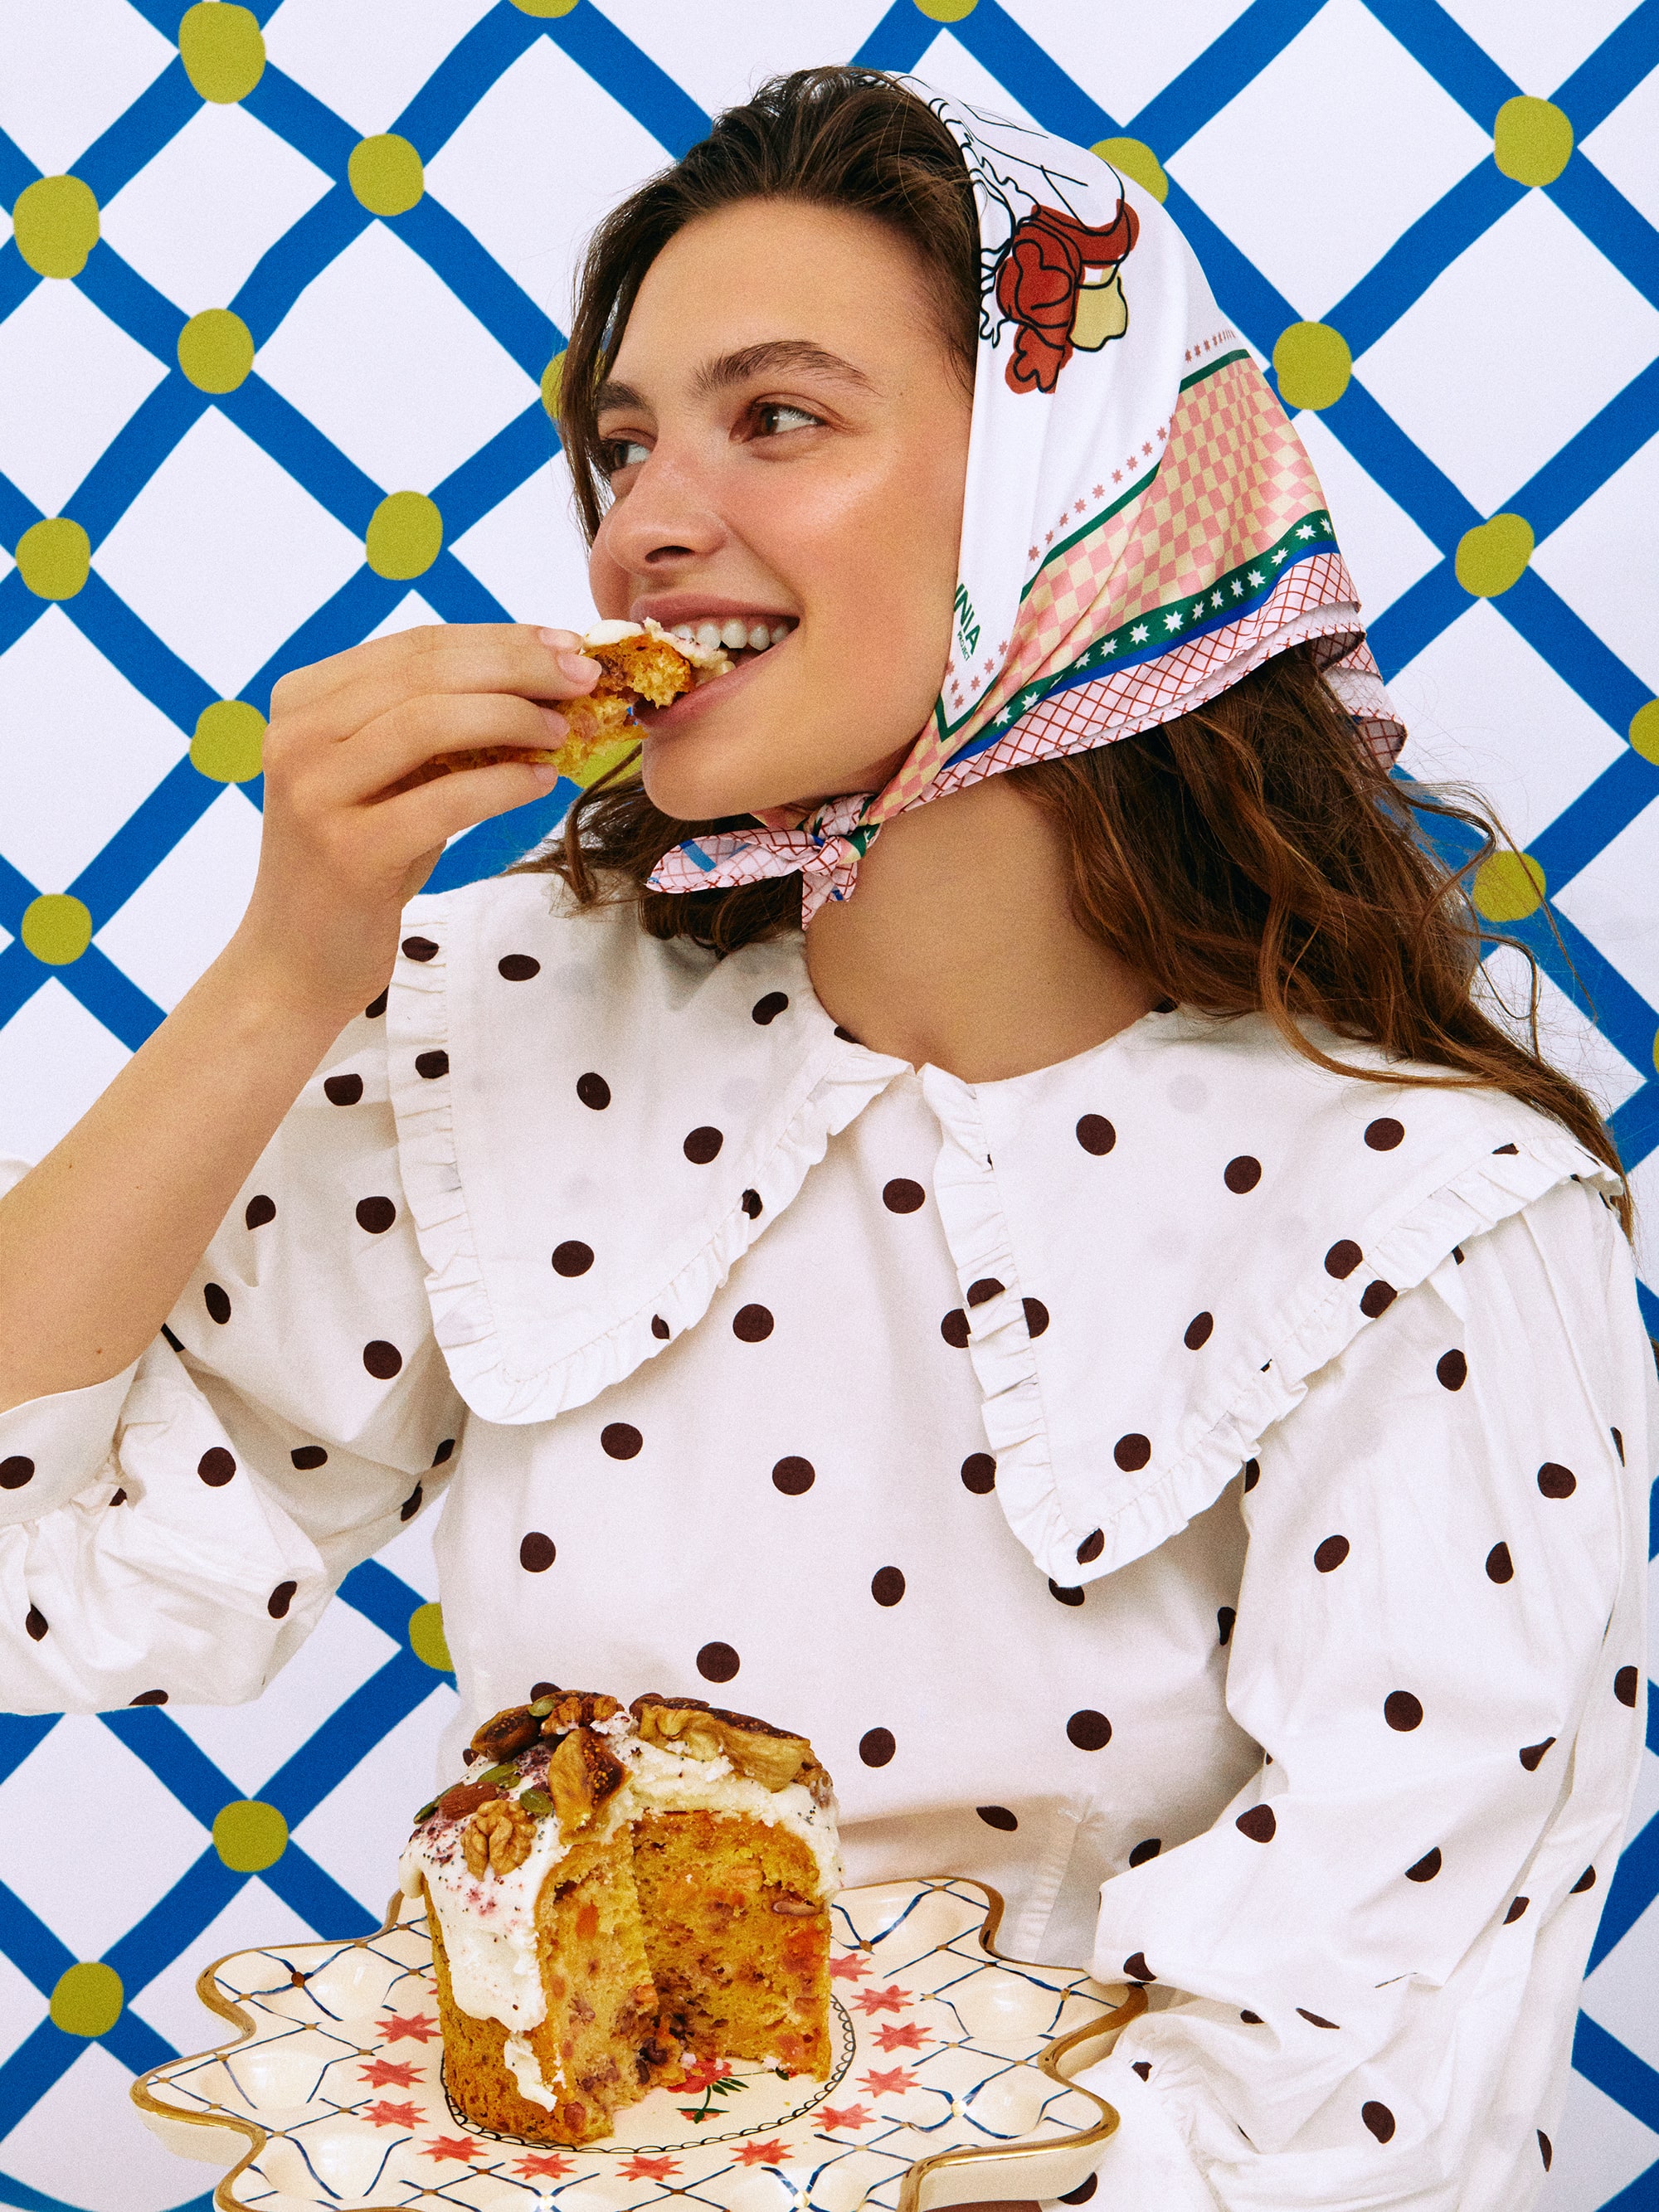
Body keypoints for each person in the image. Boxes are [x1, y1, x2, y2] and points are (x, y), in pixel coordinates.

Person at [0, 68, 1648, 2212]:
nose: (643, 525)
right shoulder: (502, 1015)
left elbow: (1351, 2107)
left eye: (775, 418)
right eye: (623, 445)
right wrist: (277, 975)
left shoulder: (1431, 1217)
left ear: (1075, 495)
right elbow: (53, 1573)